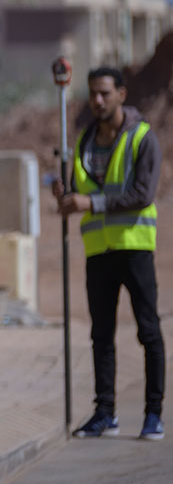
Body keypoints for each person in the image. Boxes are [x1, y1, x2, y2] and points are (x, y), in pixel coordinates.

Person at [53, 66, 164, 440]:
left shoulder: (142, 138)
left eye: (104, 93)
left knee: (148, 333)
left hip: (134, 249)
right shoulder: (83, 141)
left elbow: (141, 195)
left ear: (121, 94)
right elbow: (77, 192)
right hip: (98, 251)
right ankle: (105, 413)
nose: (97, 100)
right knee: (101, 335)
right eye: (93, 94)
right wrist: (66, 198)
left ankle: (153, 414)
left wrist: (90, 202)